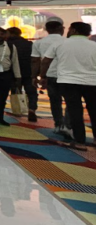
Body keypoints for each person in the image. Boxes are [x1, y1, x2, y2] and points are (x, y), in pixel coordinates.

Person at [44, 22, 96, 150]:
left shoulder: (60, 44)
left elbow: (46, 61)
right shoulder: (94, 45)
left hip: (68, 82)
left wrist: (42, 76)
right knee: (94, 111)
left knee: (75, 111)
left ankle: (79, 142)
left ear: (73, 30)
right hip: (92, 82)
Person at [35, 21, 68, 136]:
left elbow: (36, 61)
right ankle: (67, 125)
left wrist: (39, 76)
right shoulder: (66, 41)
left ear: (47, 29)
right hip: (66, 75)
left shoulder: (39, 42)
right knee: (71, 101)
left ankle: (58, 124)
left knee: (55, 101)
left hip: (50, 75)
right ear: (61, 29)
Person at [6, 27, 38, 122]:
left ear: (11, 33)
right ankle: (32, 109)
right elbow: (34, 58)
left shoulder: (8, 44)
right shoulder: (29, 44)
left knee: (16, 90)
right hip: (28, 71)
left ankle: (17, 110)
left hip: (13, 72)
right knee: (31, 92)